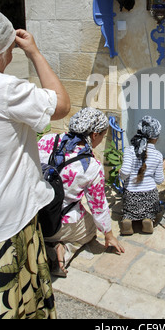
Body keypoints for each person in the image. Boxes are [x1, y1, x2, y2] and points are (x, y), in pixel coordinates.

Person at [0, 8, 71, 319]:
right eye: (9, 48)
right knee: (18, 300)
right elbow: (61, 104)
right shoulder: (4, 89)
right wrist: (35, 53)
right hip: (9, 223)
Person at [38, 107, 125, 277]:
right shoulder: (90, 166)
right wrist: (108, 235)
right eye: (102, 135)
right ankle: (61, 249)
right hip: (55, 223)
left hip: (33, 214)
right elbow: (98, 207)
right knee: (90, 228)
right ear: (94, 135)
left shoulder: (46, 140)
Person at [119, 116, 165, 235]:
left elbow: (125, 172)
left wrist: (121, 176)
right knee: (153, 207)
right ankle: (148, 219)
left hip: (131, 195)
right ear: (156, 138)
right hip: (149, 195)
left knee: (128, 208)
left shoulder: (129, 151)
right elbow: (159, 180)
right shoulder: (157, 155)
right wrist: (160, 168)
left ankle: (128, 220)